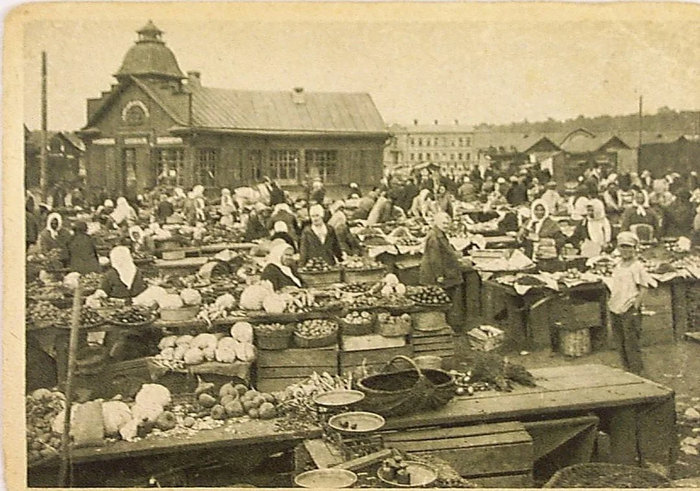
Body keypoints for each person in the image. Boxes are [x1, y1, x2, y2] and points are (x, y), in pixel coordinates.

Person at [607, 231, 654, 375]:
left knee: (631, 343)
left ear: (635, 248)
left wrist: (635, 306)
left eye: (629, 247)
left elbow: (644, 287)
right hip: (616, 307)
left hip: (629, 308)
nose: (625, 250)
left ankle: (637, 372)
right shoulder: (618, 265)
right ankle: (626, 370)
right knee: (619, 342)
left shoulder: (637, 266)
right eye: (622, 247)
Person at [419, 212, 464, 330]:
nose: (446, 225)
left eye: (448, 223)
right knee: (441, 299)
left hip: (446, 271)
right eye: (444, 223)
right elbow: (435, 258)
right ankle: (445, 324)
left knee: (447, 298)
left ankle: (448, 323)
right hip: (437, 273)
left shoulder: (440, 234)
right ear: (436, 222)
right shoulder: (434, 237)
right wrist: (439, 275)